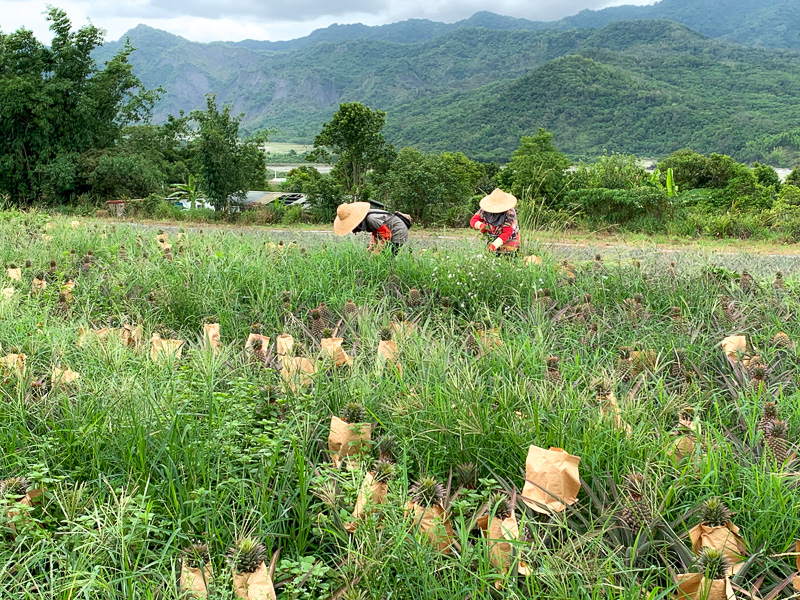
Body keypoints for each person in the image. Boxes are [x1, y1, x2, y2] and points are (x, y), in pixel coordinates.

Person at [333, 202, 409, 254]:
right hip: (387, 231)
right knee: (376, 254)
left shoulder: (371, 218)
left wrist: (377, 251)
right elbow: (376, 232)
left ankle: (390, 275)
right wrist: (372, 246)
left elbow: (386, 235)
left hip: (398, 231)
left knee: (388, 256)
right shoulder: (367, 218)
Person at [470, 189, 519, 255]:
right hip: (492, 239)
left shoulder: (510, 213)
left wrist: (494, 246)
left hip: (509, 244)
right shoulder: (485, 209)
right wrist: (481, 226)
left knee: (508, 260)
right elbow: (473, 220)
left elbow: (507, 233)